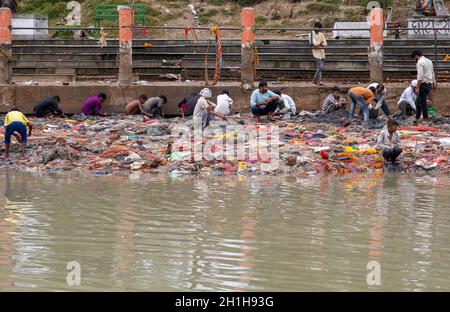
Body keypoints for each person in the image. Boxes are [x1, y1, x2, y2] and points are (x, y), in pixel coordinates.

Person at [411, 50, 436, 124]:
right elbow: (432, 73)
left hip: (423, 84)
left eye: (414, 58)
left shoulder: (420, 62)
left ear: (416, 56)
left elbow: (420, 76)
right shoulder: (429, 61)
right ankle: (417, 118)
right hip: (429, 84)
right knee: (418, 101)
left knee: (422, 103)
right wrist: (434, 83)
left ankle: (425, 118)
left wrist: (417, 87)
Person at [310, 21, 327, 86]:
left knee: (319, 68)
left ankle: (317, 81)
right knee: (321, 67)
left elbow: (325, 43)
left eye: (320, 28)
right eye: (318, 28)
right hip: (316, 53)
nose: (319, 30)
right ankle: (316, 80)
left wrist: (319, 43)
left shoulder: (321, 34)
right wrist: (320, 43)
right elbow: (314, 44)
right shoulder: (311, 34)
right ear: (315, 27)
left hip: (322, 53)